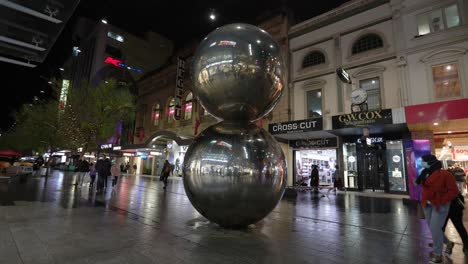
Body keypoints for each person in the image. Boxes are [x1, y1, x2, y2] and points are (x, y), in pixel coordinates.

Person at [417, 154, 458, 263]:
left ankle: (438, 254)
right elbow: (425, 188)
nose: (421, 163)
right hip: (427, 204)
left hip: (440, 205)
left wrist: (441, 200)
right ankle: (448, 243)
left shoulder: (445, 174)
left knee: (435, 228)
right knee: (433, 228)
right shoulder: (424, 173)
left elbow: (453, 191)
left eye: (423, 161)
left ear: (430, 162)